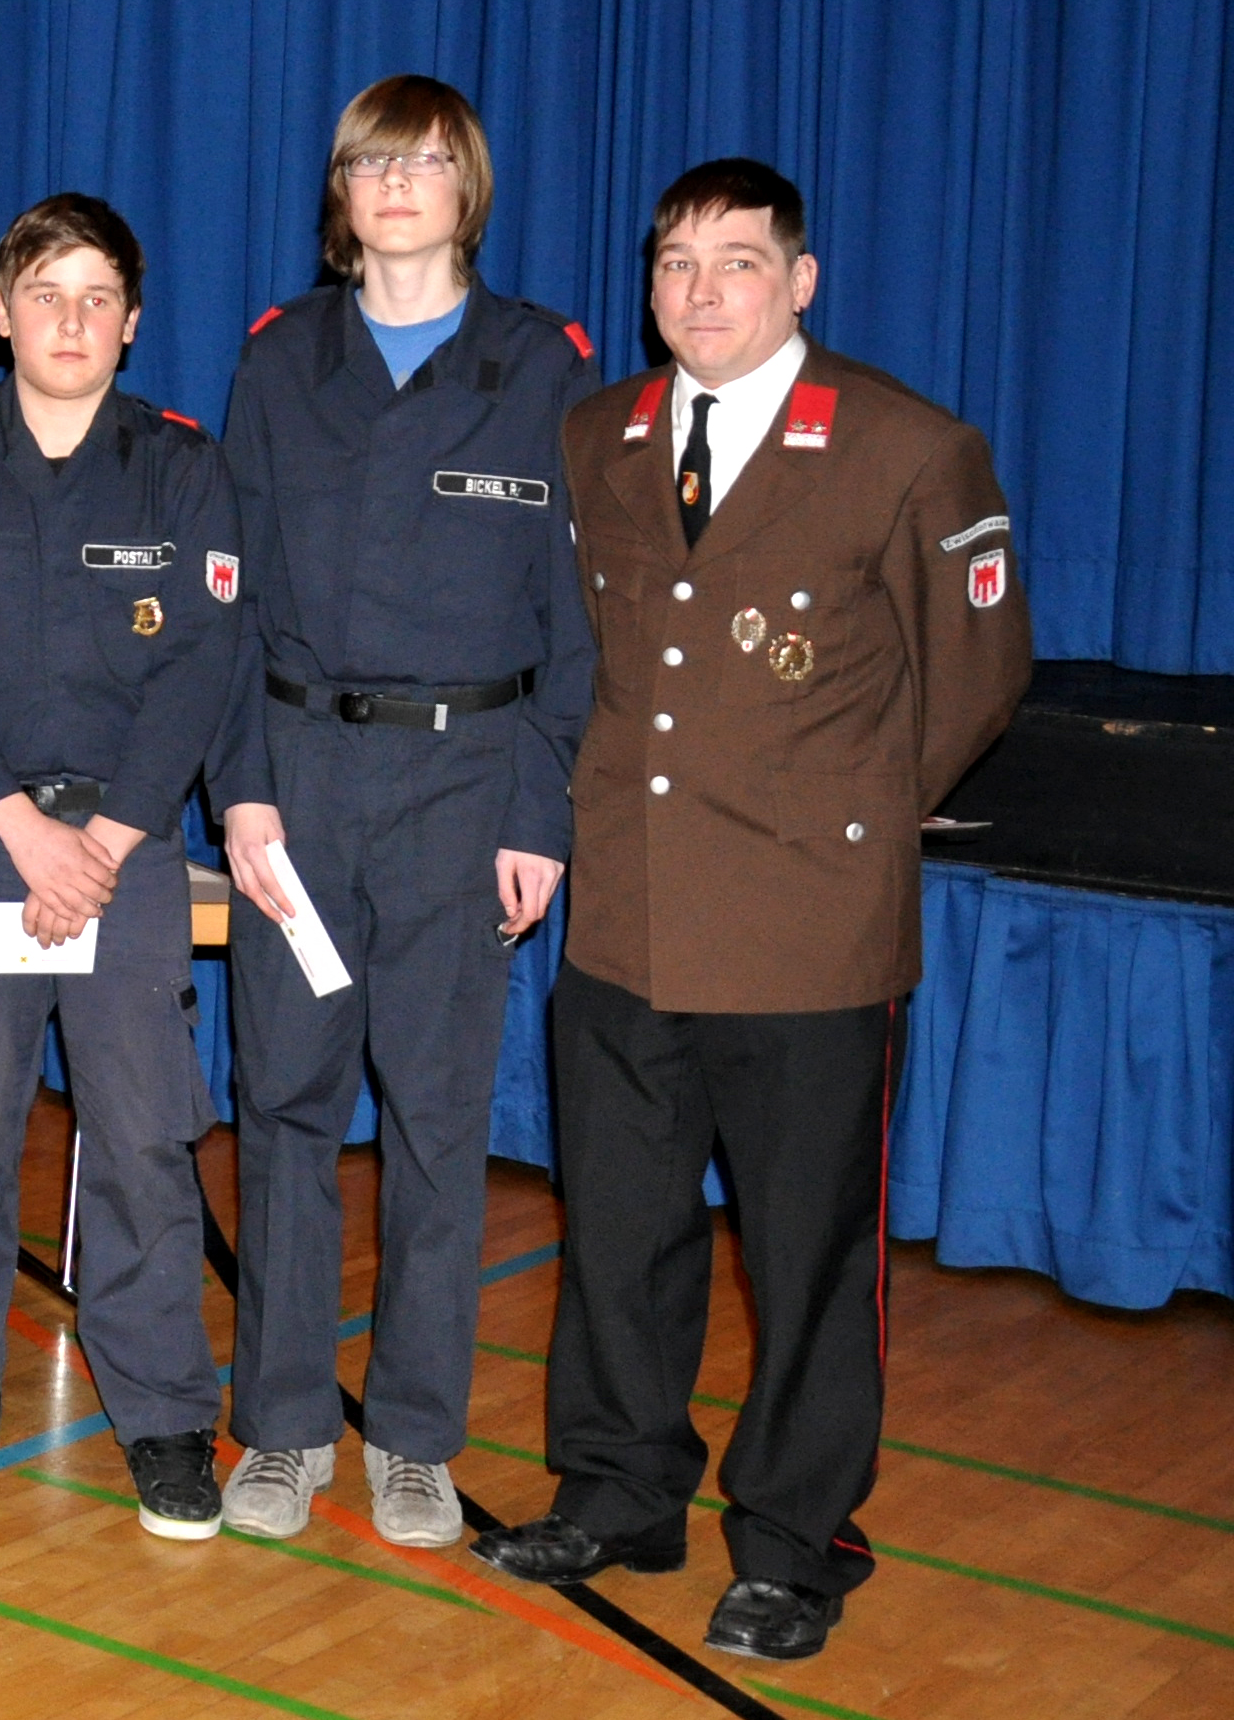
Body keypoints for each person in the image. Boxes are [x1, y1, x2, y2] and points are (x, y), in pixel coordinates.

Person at [468, 158, 1029, 1665]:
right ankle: (620, 1488)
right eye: (674, 264)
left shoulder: (907, 446)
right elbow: (582, 649)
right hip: (629, 915)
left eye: (735, 262)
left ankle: (794, 1541)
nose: (700, 292)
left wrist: (842, 817)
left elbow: (977, 675)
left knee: (807, 1257)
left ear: (801, 280)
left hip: (807, 926)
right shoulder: (600, 434)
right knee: (620, 1233)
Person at [206, 75, 596, 1549]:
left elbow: (575, 614)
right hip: (302, 783)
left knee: (437, 1124)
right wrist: (242, 791)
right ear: (343, 191)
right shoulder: (278, 360)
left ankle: (418, 1440)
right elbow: (229, 603)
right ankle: (284, 1425)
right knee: (285, 1110)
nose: (397, 184)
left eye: (427, 161)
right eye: (372, 161)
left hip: (463, 788)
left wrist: (539, 810)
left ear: (467, 189)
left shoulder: (541, 365)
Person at [0, 193, 239, 1536]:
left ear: (131, 322)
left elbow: (200, 668)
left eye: (97, 298)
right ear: (1, 312)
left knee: (142, 1134)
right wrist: (25, 831)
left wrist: (106, 839)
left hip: (127, 848)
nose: (70, 321)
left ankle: (163, 1416)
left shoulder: (182, 468)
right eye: (45, 295)